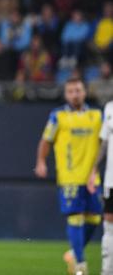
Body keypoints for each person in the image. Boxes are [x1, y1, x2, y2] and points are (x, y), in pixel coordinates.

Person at [35, 78, 103, 275]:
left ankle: (74, 253)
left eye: (78, 90)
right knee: (75, 218)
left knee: (94, 219)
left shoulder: (96, 116)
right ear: (66, 95)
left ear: (85, 92)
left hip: (92, 178)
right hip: (70, 177)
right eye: (71, 91)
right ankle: (81, 266)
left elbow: (104, 142)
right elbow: (46, 140)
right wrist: (41, 161)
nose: (75, 94)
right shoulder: (58, 116)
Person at [88, 99, 113, 275]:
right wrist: (94, 169)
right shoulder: (110, 107)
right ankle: (107, 270)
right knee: (109, 225)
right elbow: (104, 143)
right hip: (111, 181)